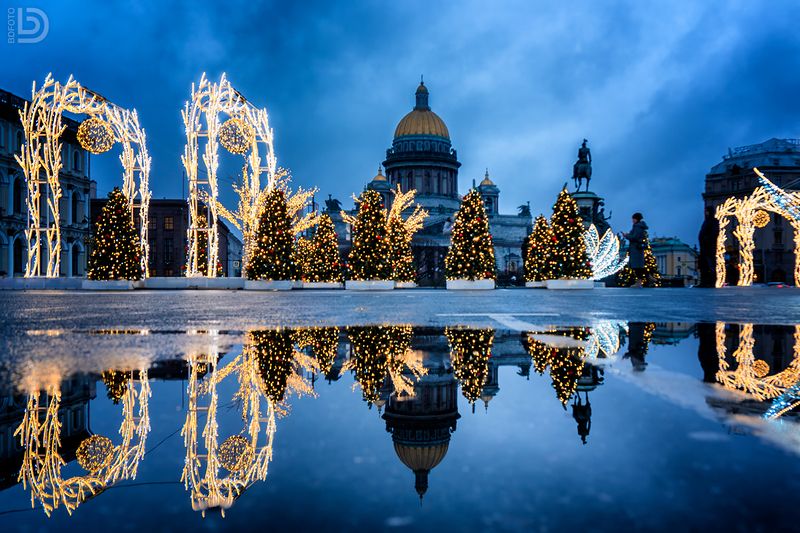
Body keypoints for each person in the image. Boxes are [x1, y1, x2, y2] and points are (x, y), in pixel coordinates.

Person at [623, 212, 649, 288]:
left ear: (636, 219)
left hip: (636, 249)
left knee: (636, 266)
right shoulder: (639, 226)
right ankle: (641, 281)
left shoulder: (637, 227)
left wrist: (626, 236)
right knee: (638, 266)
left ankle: (639, 283)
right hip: (637, 248)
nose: (632, 220)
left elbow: (635, 237)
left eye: (633, 219)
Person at [697, 206, 719, 288]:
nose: (705, 213)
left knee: (710, 265)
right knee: (704, 265)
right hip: (704, 247)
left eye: (706, 211)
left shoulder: (714, 221)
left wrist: (706, 239)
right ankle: (704, 282)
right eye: (705, 211)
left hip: (710, 248)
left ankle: (711, 283)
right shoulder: (706, 221)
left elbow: (714, 233)